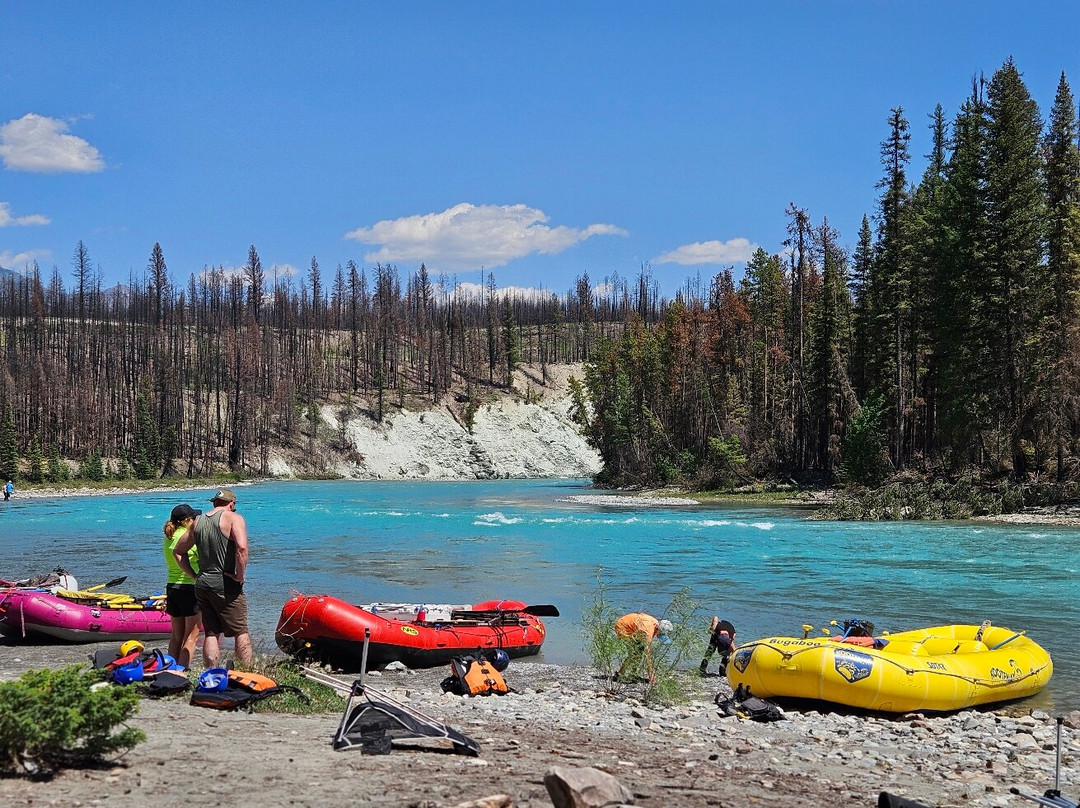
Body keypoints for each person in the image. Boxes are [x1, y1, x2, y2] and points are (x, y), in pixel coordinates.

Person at [172, 488, 252, 667]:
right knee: (240, 630)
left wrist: (193, 575)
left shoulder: (198, 521)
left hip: (202, 584)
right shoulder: (234, 518)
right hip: (225, 584)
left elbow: (178, 551)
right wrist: (240, 575)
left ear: (214, 503)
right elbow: (242, 549)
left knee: (211, 631)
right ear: (232, 504)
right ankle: (246, 671)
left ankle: (211, 671)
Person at [163, 503, 202, 669]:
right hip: (189, 587)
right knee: (192, 635)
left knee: (176, 636)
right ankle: (183, 669)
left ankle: (170, 668)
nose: (195, 521)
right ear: (186, 521)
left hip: (172, 587)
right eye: (193, 518)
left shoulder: (169, 537)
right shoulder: (187, 537)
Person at [613, 612, 673, 684]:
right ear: (658, 629)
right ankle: (619, 675)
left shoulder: (655, 624)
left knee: (640, 650)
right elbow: (648, 657)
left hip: (634, 628)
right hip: (623, 627)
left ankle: (632, 674)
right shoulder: (648, 631)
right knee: (634, 654)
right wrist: (652, 677)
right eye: (661, 635)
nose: (660, 637)